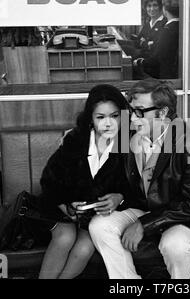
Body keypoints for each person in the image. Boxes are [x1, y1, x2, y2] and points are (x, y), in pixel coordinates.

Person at [88, 79, 190, 279]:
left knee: (174, 244)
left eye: (140, 111)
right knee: (99, 226)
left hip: (183, 215)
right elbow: (124, 181)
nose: (132, 118)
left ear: (163, 113)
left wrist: (143, 225)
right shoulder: (128, 136)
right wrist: (120, 196)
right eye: (131, 110)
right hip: (144, 207)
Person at [38, 84, 129, 279]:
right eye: (100, 117)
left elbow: (134, 186)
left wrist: (119, 197)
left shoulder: (128, 143)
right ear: (90, 118)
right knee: (64, 238)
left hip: (93, 214)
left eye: (114, 116)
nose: (108, 124)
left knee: (85, 247)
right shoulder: (76, 140)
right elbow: (49, 180)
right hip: (62, 205)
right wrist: (67, 206)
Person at [134, 0, 180, 79]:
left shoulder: (167, 26)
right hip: (151, 63)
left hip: (159, 70)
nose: (152, 9)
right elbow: (137, 42)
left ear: (162, 8)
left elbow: (158, 49)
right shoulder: (147, 24)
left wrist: (145, 44)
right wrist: (148, 44)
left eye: (155, 5)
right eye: (149, 6)